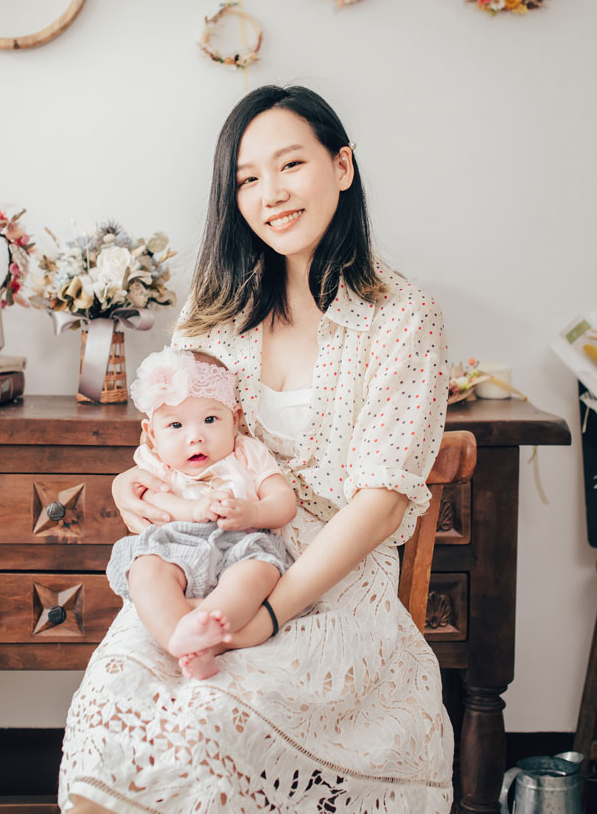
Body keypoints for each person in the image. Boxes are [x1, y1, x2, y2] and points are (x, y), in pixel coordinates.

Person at [59, 84, 453, 814]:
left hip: (330, 588)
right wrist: (127, 485)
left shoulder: (403, 317)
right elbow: (172, 444)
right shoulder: (212, 314)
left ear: (341, 166)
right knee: (108, 710)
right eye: (245, 179)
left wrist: (266, 616)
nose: (269, 194)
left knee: (209, 722)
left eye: (290, 164)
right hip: (200, 572)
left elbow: (380, 503)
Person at [106, 346, 296, 680]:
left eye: (210, 420)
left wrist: (254, 513)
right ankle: (179, 640)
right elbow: (152, 498)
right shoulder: (156, 462)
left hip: (240, 545)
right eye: (176, 425)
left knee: (259, 573)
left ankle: (207, 628)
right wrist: (192, 509)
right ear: (152, 434)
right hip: (175, 545)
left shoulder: (247, 453)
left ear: (234, 420)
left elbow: (283, 501)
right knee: (145, 568)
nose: (195, 437)